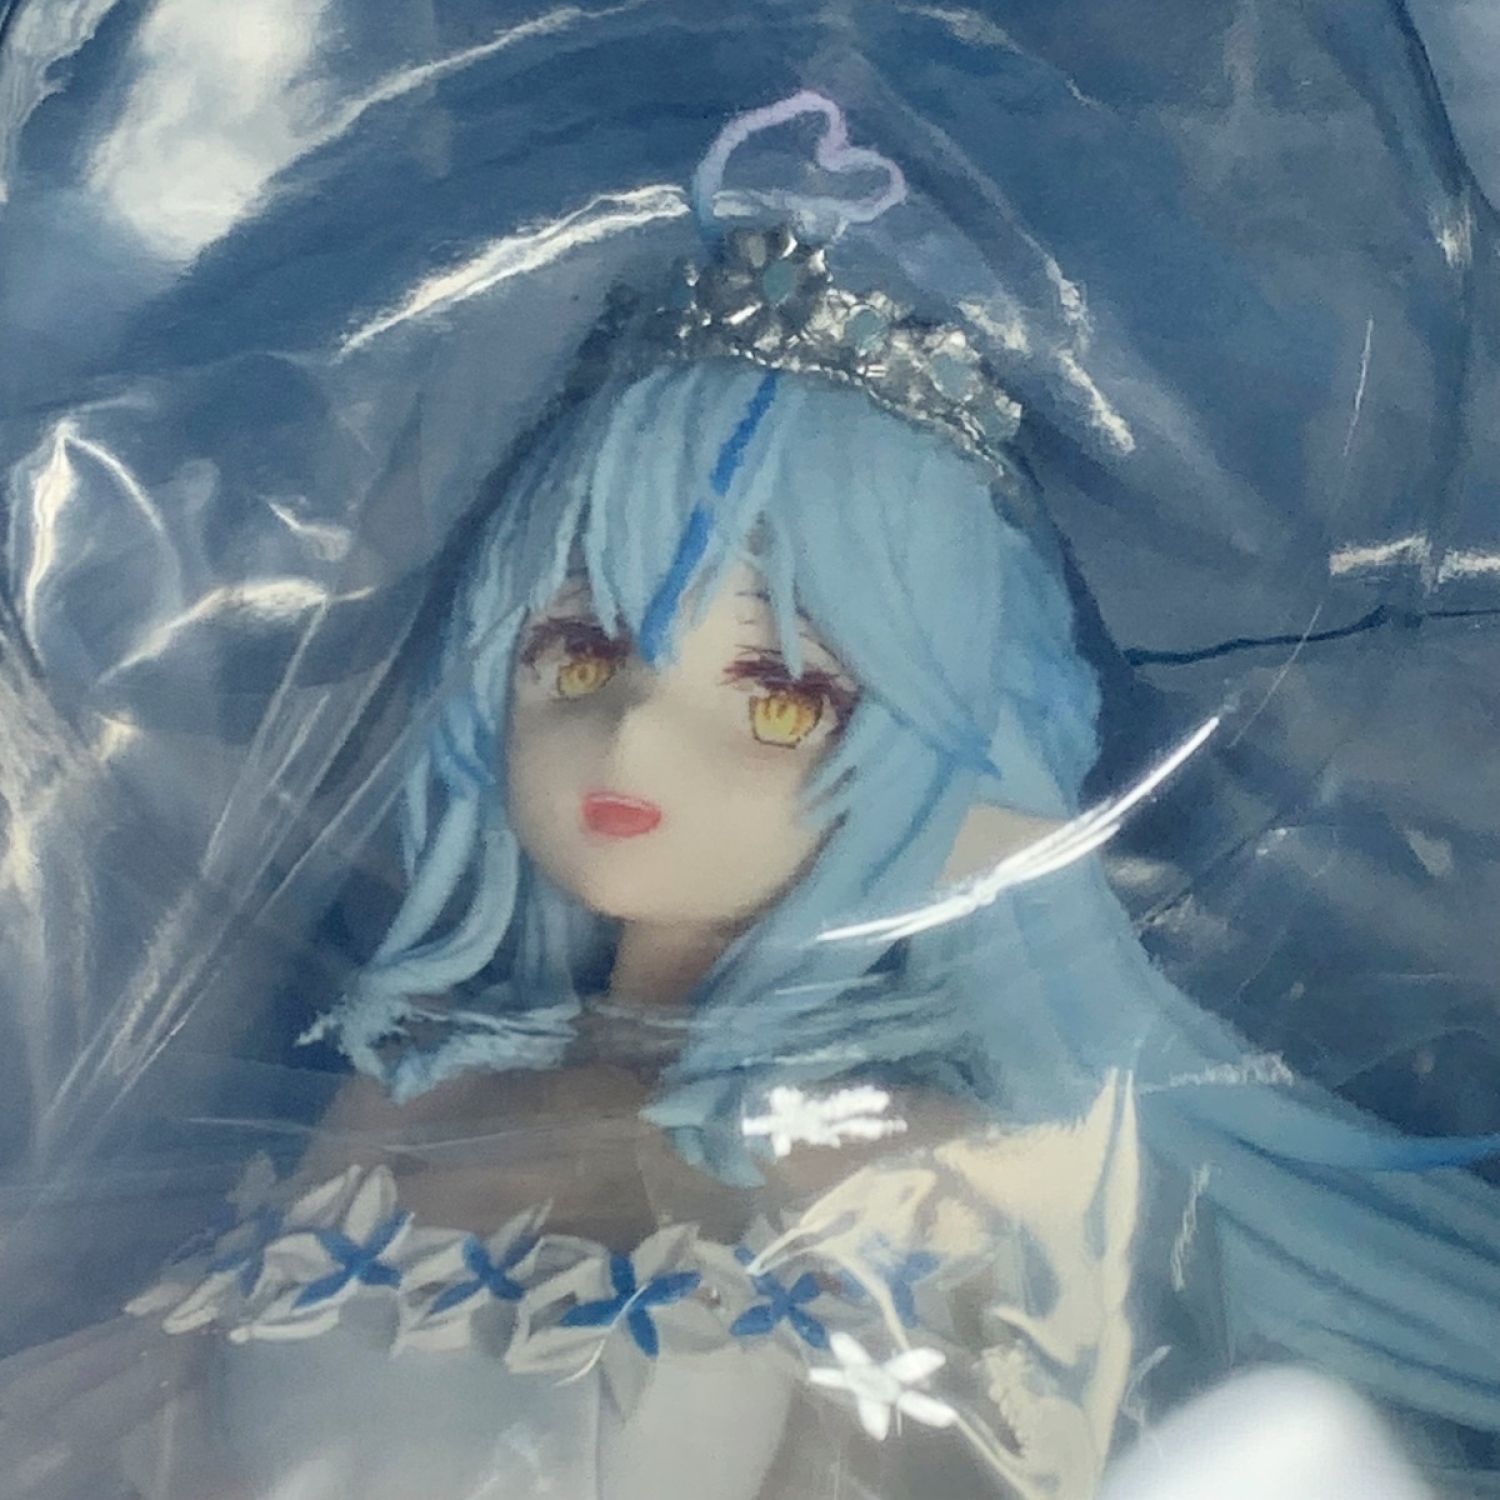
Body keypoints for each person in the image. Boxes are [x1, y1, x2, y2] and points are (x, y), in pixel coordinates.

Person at [3, 96, 1497, 1500]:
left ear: (946, 750)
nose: (636, 745)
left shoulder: (906, 1161)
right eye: (578, 654)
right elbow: (147, 1404)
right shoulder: (406, 1090)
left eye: (782, 699)